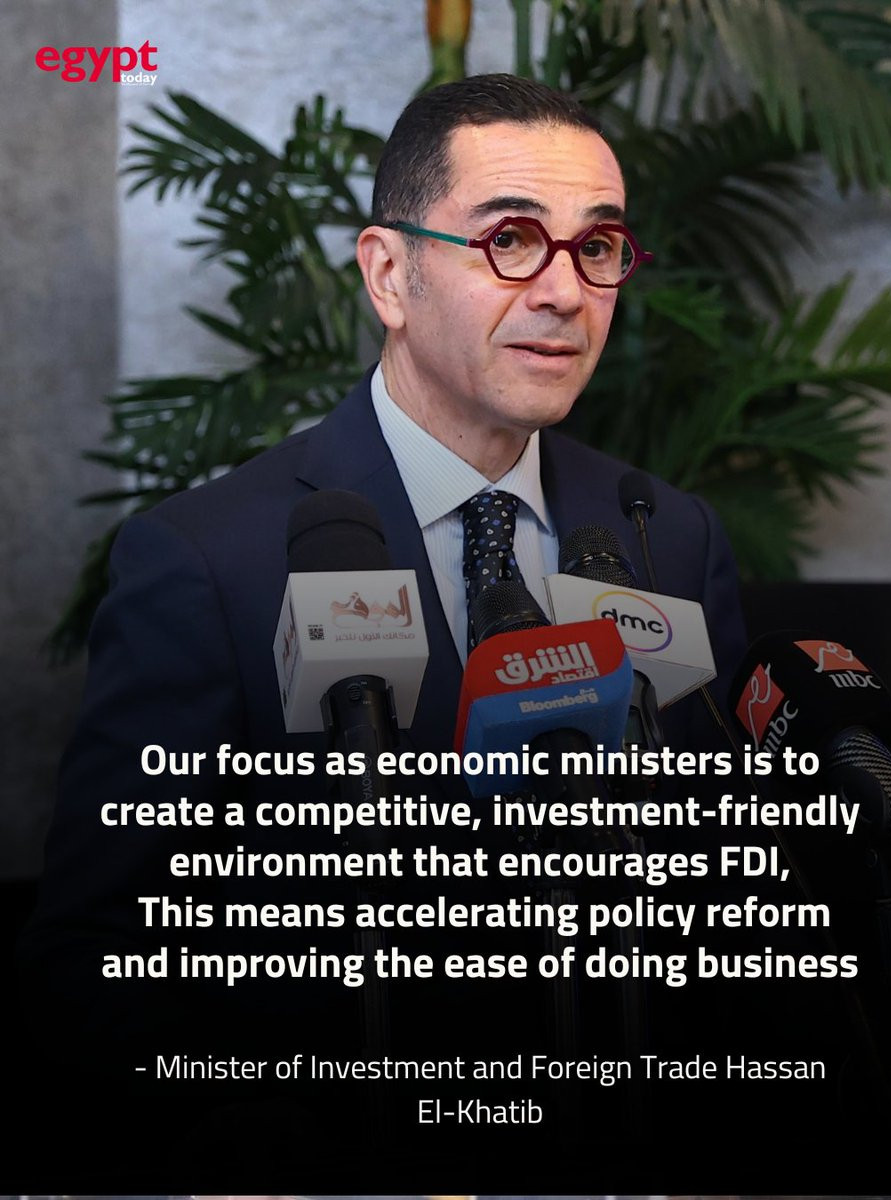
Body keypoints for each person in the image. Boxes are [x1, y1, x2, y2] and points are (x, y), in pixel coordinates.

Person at [19, 75, 803, 1190]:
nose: (565, 292)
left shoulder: (663, 534)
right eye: (511, 240)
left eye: (598, 247)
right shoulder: (209, 560)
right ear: (390, 273)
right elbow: (96, 960)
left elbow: (723, 898)